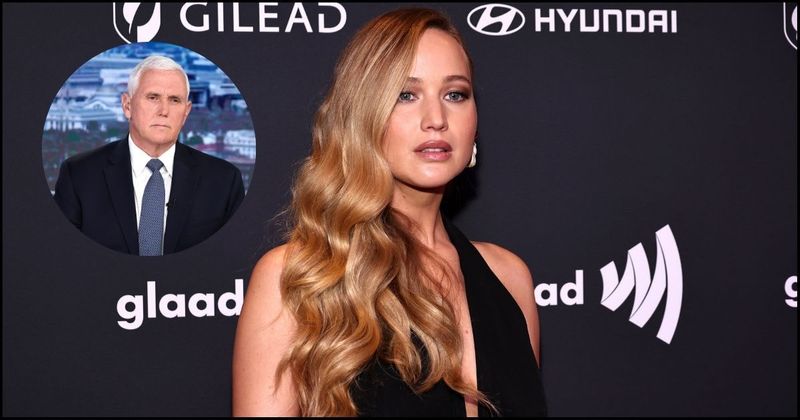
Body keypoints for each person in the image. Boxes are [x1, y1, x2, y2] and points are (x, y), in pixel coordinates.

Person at [232, 7, 547, 417]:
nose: (436, 119)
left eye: (455, 94)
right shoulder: (298, 278)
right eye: (406, 95)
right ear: (363, 115)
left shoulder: (509, 278)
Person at [53, 55, 245, 256]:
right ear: (127, 105)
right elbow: (63, 256)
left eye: (175, 100)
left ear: (186, 112)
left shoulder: (224, 180)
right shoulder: (79, 175)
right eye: (153, 98)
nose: (164, 111)